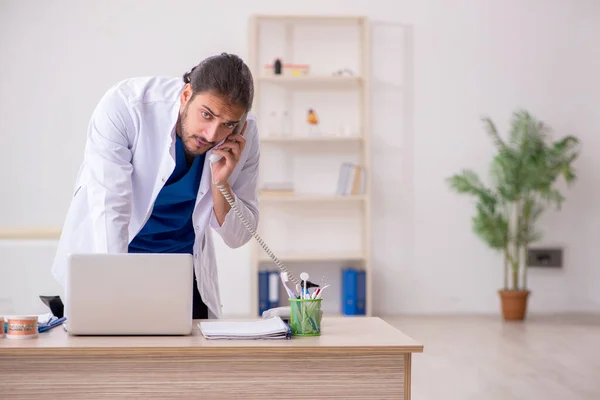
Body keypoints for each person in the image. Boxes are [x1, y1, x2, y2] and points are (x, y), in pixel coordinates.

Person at [51, 53, 260, 319]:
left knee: (188, 359)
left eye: (227, 124)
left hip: (182, 276)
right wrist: (113, 293)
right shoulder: (127, 107)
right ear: (187, 94)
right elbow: (110, 209)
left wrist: (222, 183)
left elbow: (238, 236)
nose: (212, 134)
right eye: (206, 115)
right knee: (111, 354)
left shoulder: (244, 135)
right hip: (114, 261)